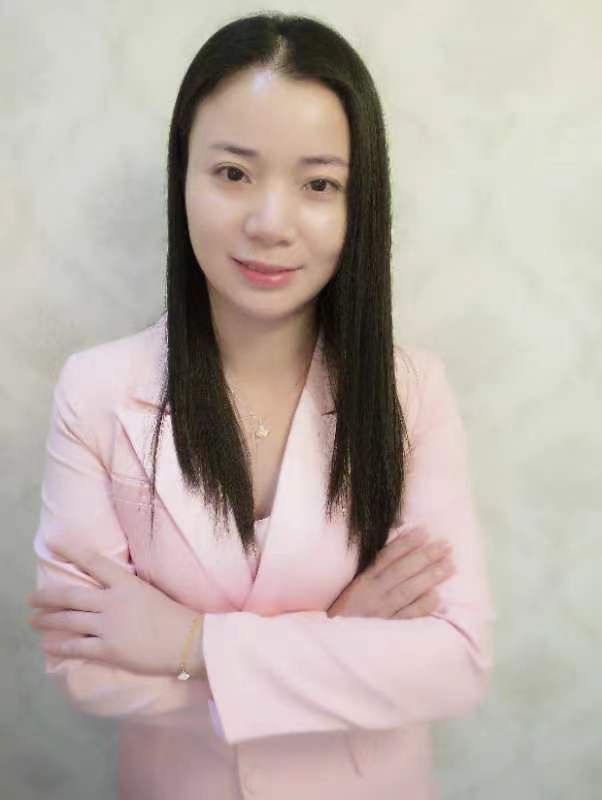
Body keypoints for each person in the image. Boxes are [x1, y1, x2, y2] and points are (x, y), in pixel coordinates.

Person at [27, 11, 495, 800]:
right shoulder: (97, 390)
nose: (270, 224)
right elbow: (85, 667)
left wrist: (188, 642)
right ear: (183, 177)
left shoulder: (412, 391)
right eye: (234, 173)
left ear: (359, 203)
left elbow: (453, 663)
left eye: (318, 184)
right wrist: (343, 635)